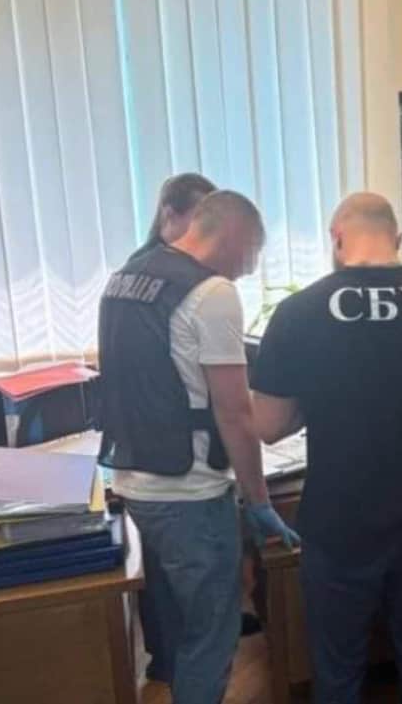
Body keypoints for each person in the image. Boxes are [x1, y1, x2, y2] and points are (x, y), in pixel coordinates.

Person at [251, 192, 402, 703]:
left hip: (339, 520)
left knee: (338, 669)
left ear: (337, 239)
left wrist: (319, 401)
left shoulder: (298, 313)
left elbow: (267, 425)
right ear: (397, 238)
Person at [97, 190, 298, 704]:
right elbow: (234, 412)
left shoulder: (125, 279)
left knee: (176, 630)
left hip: (135, 482)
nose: (247, 271)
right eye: (250, 255)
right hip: (190, 493)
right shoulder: (212, 293)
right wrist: (258, 501)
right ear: (232, 235)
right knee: (212, 636)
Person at [121, 172, 220, 684]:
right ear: (169, 214)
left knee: (169, 583)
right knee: (203, 620)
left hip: (142, 465)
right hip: (183, 469)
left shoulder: (131, 275)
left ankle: (168, 659)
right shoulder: (191, 284)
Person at [129, 172, 218, 262]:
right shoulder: (146, 264)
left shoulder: (203, 258)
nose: (208, 227)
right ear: (170, 215)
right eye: (201, 218)